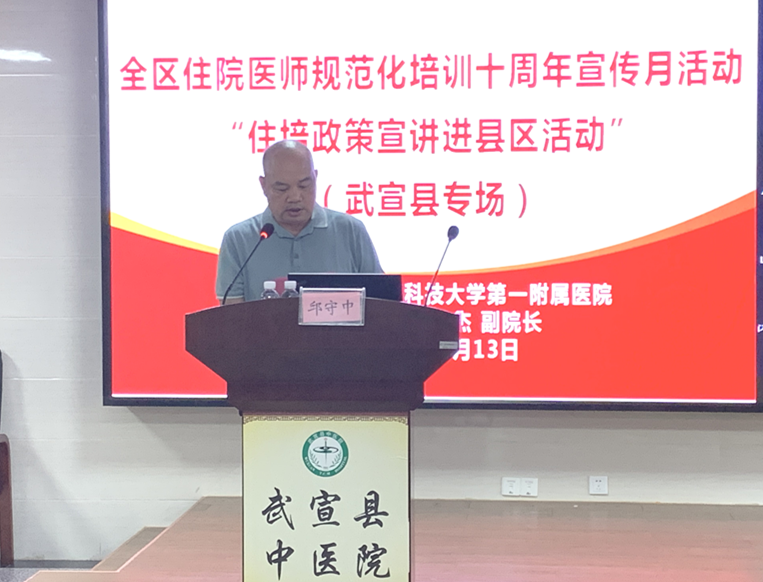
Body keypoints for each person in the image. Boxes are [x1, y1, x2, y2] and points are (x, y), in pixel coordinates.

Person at [216, 140, 383, 303]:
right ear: (264, 185)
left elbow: (381, 303)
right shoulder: (238, 239)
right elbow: (232, 316)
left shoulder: (351, 231)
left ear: (315, 178)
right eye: (282, 189)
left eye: (304, 186)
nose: (295, 197)